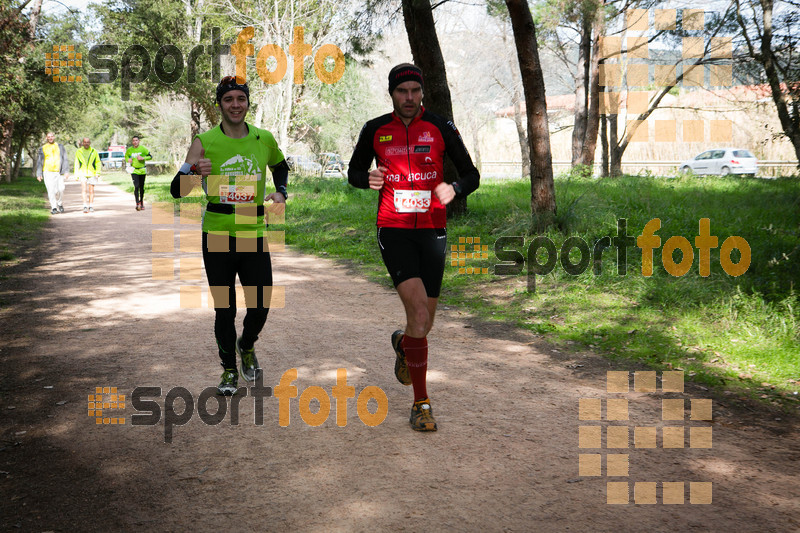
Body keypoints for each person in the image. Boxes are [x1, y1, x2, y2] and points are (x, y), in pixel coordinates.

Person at [348, 63, 480, 431]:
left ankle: (404, 344)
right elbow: (354, 172)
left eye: (414, 91)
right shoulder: (375, 129)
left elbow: (471, 174)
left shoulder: (440, 126)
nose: (409, 98)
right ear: (392, 94)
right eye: (401, 91)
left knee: (425, 323)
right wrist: (368, 178)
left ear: (422, 93)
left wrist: (454, 188)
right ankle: (421, 404)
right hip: (394, 230)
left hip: (433, 231)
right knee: (420, 316)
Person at [170, 76, 289, 396]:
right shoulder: (204, 141)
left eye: (241, 99)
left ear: (248, 103)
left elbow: (281, 166)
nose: (235, 105)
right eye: (228, 100)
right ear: (219, 104)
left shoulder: (264, 139)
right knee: (225, 308)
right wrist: (193, 173)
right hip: (218, 232)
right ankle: (228, 371)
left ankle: (246, 344)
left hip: (252, 230)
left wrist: (281, 191)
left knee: (261, 303)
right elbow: (177, 191)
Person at [36, 132, 70, 214]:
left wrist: (66, 171)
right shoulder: (43, 148)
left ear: (54, 137)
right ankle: (54, 207)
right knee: (51, 190)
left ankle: (60, 203)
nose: (50, 138)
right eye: (49, 137)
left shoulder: (60, 146)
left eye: (52, 136)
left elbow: (65, 158)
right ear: (47, 138)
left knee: (61, 189)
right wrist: (39, 174)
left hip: (58, 172)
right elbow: (39, 162)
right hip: (47, 172)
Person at [125, 135, 152, 211]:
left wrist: (143, 158)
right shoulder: (129, 150)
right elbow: (126, 156)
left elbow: (150, 156)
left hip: (142, 170)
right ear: (132, 142)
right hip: (134, 170)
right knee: (136, 186)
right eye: (133, 141)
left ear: (139, 141)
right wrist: (128, 160)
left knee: (141, 187)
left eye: (136, 140)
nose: (135, 142)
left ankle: (141, 201)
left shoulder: (143, 149)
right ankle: (137, 202)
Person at [74, 138, 101, 213]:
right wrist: (76, 175)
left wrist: (98, 172)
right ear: (82, 143)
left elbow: (98, 162)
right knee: (84, 190)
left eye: (88, 142)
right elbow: (76, 163)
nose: (86, 143)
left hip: (92, 173)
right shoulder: (79, 151)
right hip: (82, 173)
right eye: (85, 142)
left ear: (90, 143)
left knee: (91, 191)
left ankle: (91, 206)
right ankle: (85, 206)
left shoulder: (93, 151)